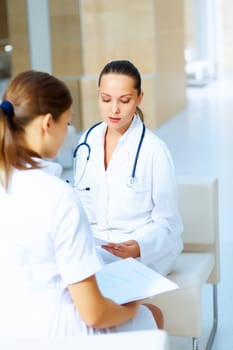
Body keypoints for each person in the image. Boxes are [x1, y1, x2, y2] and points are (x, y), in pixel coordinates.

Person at [0, 70, 162, 337]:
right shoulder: (57, 196)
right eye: (67, 123)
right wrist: (131, 308)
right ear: (48, 123)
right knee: (151, 314)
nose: (67, 133)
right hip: (53, 332)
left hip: (9, 325)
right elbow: (94, 314)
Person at [74, 60, 183, 276]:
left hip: (141, 251)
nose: (114, 109)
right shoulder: (87, 141)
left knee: (102, 282)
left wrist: (140, 246)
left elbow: (168, 224)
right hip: (95, 247)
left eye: (124, 100)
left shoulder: (154, 150)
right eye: (106, 99)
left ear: (139, 98)